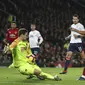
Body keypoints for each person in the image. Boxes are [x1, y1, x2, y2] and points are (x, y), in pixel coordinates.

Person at [60, 14, 85, 80]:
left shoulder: (80, 25)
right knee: (68, 56)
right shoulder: (72, 25)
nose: (74, 20)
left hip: (78, 43)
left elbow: (84, 33)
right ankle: (65, 70)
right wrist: (67, 37)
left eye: (76, 19)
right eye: (73, 19)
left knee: (83, 57)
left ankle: (84, 74)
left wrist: (78, 35)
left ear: (78, 19)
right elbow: (72, 34)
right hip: (72, 43)